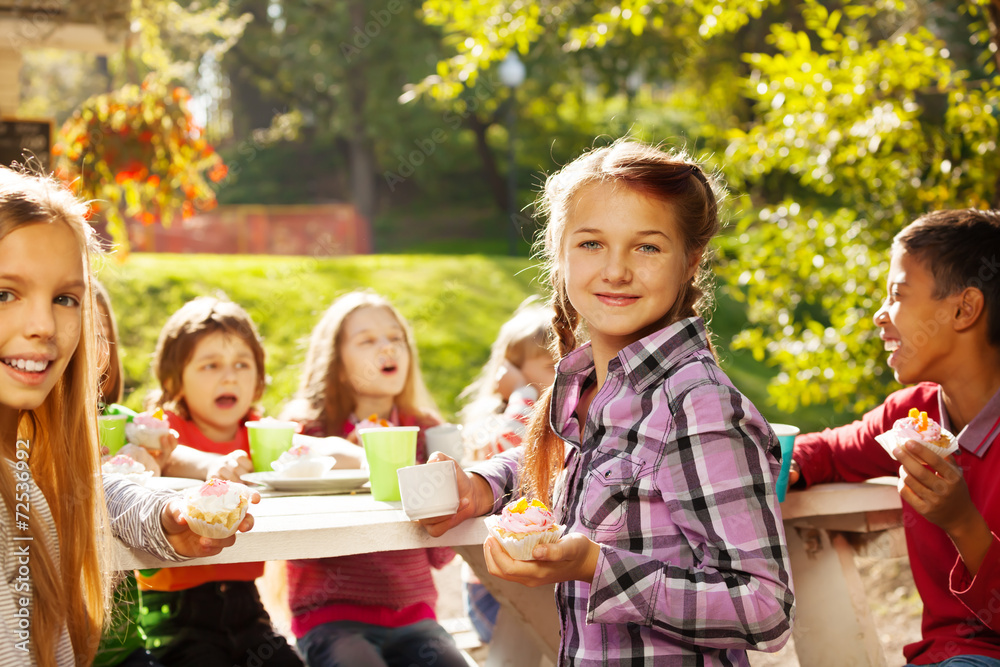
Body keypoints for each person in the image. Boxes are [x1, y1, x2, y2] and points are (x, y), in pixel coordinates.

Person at [421, 140, 794, 665]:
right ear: (560, 254)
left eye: (647, 247)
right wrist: (483, 484)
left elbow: (765, 607)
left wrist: (597, 566)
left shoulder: (698, 405)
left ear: (690, 261)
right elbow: (590, 468)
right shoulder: (592, 390)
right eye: (592, 244)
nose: (615, 270)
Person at [0, 167, 257, 667]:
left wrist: (167, 516)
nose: (42, 325)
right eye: (3, 292)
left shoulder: (26, 452)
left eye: (64, 298)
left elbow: (87, 489)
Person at [788, 209, 1000, 666]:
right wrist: (791, 463)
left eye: (897, 294)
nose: (880, 316)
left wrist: (962, 522)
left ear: (964, 309)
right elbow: (829, 449)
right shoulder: (913, 414)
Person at [281, 291, 468, 667]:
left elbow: (441, 555)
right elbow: (295, 544)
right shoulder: (308, 435)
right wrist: (349, 462)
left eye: (395, 337)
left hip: (415, 619)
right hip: (332, 619)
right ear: (335, 362)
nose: (387, 348)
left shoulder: (427, 433)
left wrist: (454, 491)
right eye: (367, 340)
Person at [136, 296, 303, 667]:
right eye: (210, 365)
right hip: (175, 613)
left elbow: (308, 449)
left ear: (259, 380)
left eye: (242, 365)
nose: (229, 376)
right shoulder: (163, 430)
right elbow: (166, 457)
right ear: (173, 380)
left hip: (246, 606)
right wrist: (212, 466)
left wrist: (358, 451)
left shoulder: (260, 434)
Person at [457, 297, 556, 643]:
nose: (564, 375)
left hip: (551, 583)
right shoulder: (493, 425)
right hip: (494, 593)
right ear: (510, 372)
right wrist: (522, 394)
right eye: (550, 365)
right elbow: (509, 446)